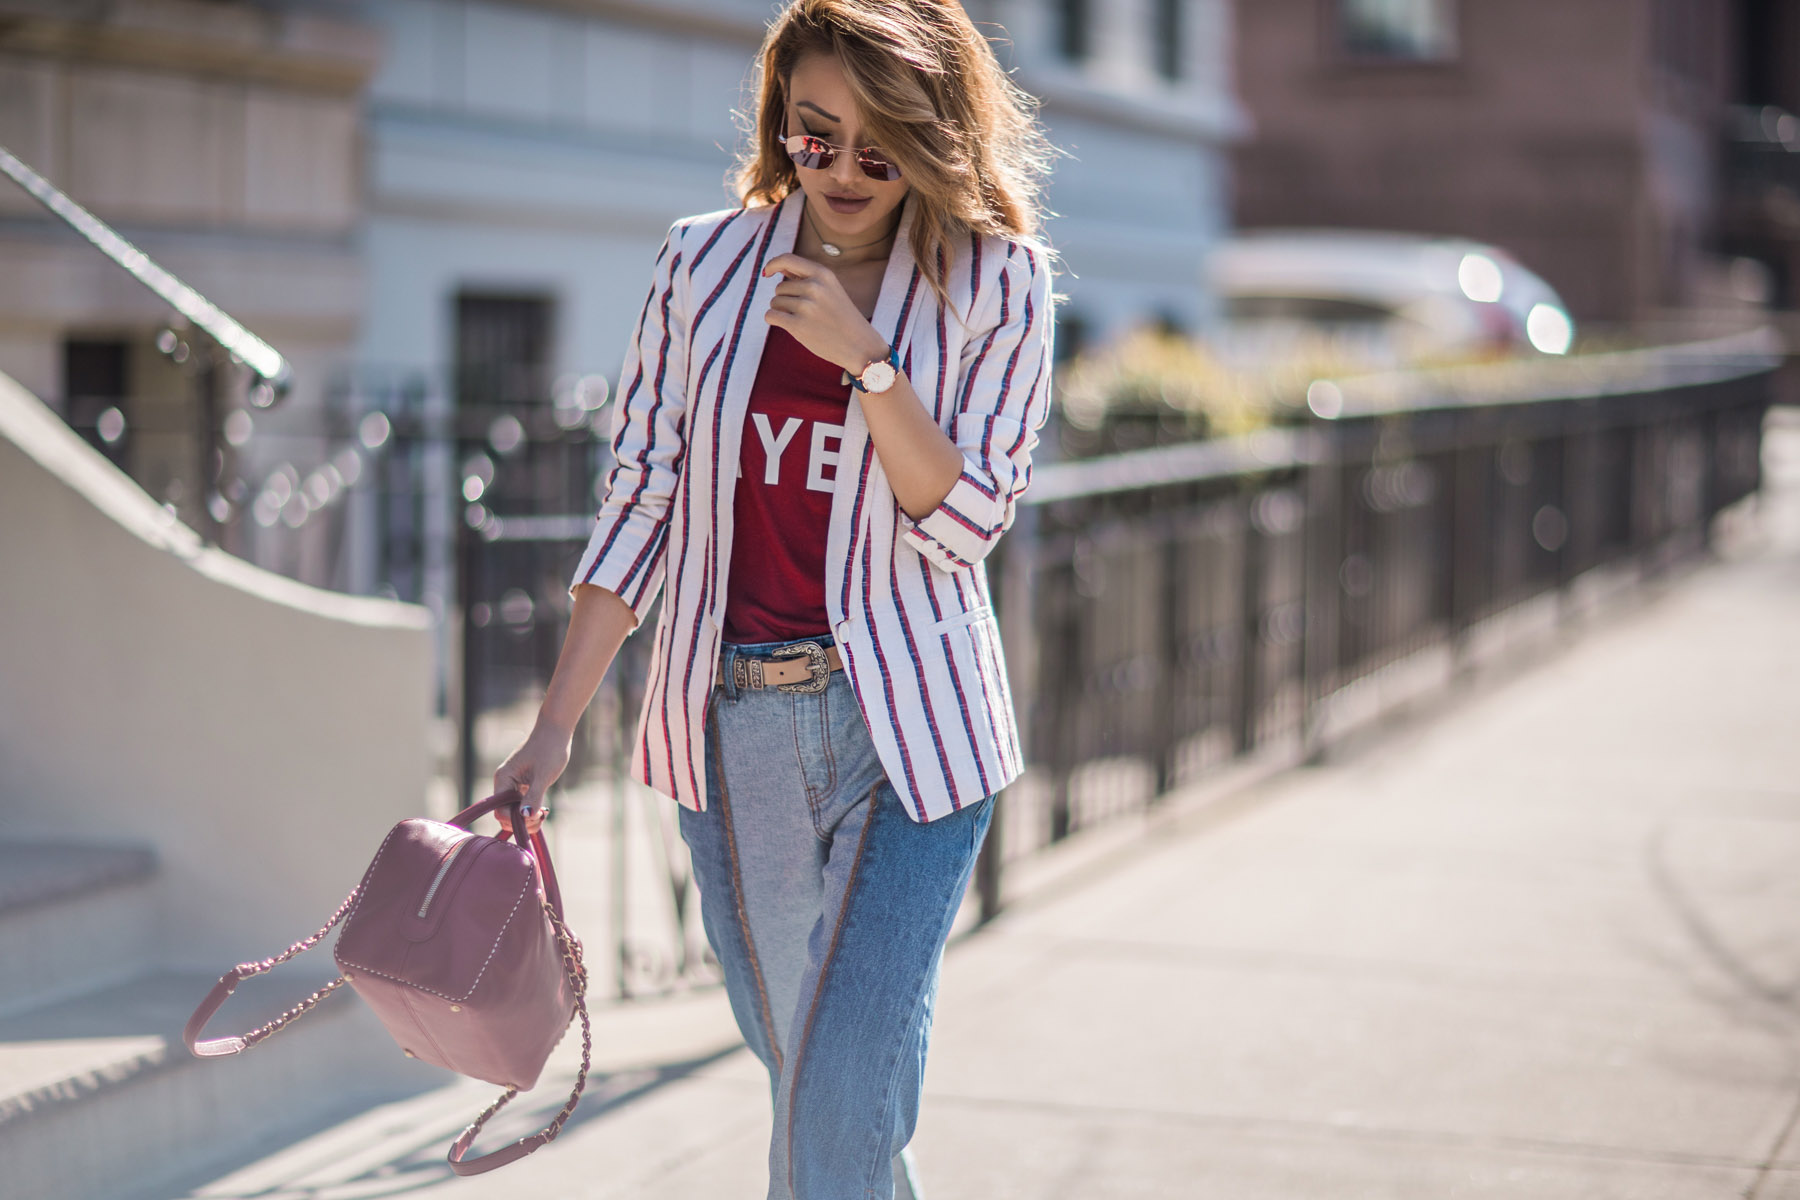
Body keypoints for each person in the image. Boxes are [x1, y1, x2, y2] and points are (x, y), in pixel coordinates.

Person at [494, 1, 1054, 1195]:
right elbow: (638, 499)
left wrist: (869, 361)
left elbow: (963, 525)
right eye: (815, 137)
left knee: (840, 1089)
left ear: (935, 137)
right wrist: (553, 727)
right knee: (811, 1075)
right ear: (778, 124)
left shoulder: (1000, 284)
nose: (844, 172)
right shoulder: (701, 266)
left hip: (909, 739)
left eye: (881, 146)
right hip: (732, 729)